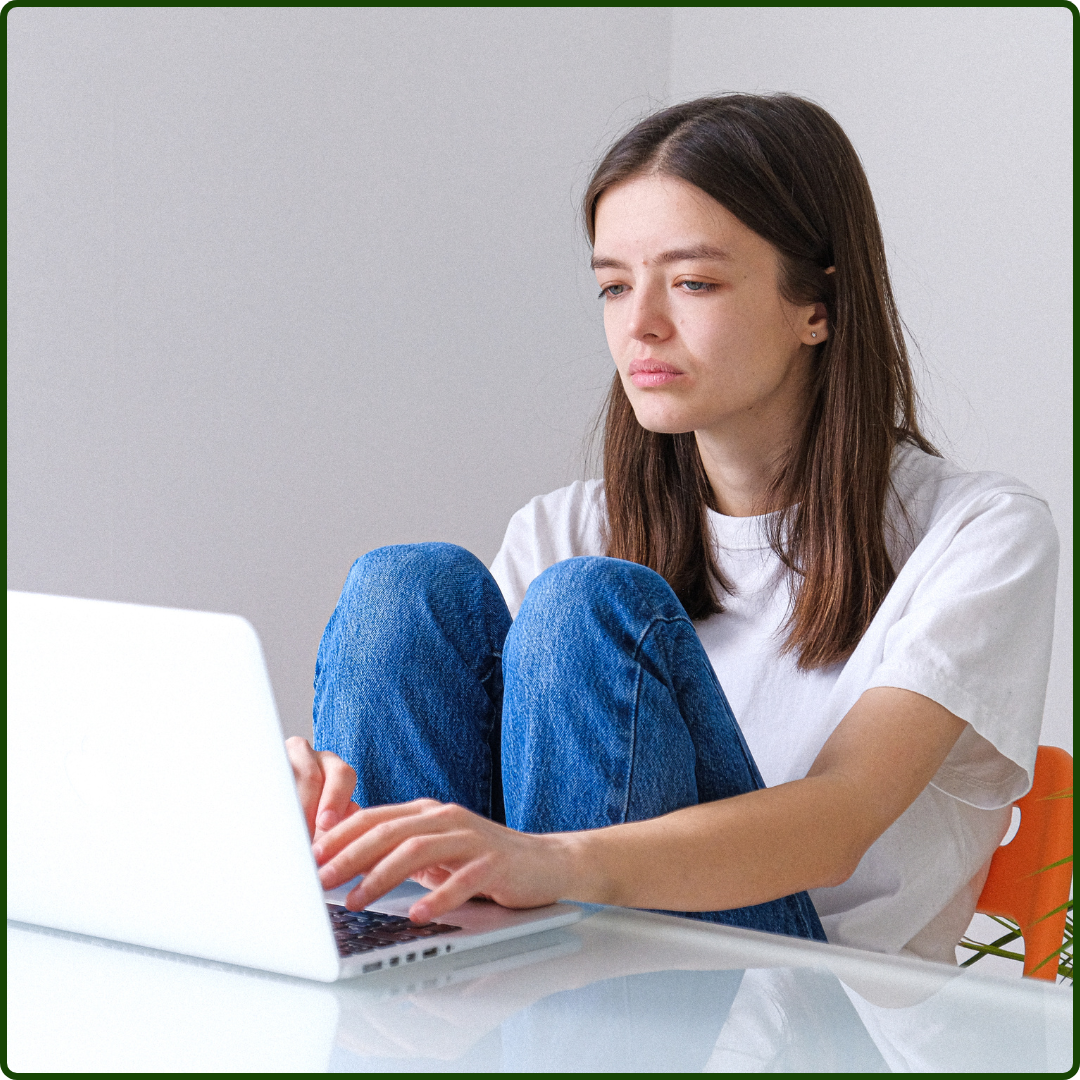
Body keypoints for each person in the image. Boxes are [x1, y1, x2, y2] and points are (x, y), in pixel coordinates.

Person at [286, 94, 1058, 962]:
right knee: (403, 589)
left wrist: (554, 862)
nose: (640, 324)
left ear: (817, 306)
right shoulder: (568, 524)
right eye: (615, 285)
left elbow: (840, 820)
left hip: (804, 1012)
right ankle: (393, 981)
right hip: (530, 986)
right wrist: (307, 804)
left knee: (587, 605)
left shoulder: (981, 533)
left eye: (693, 282)